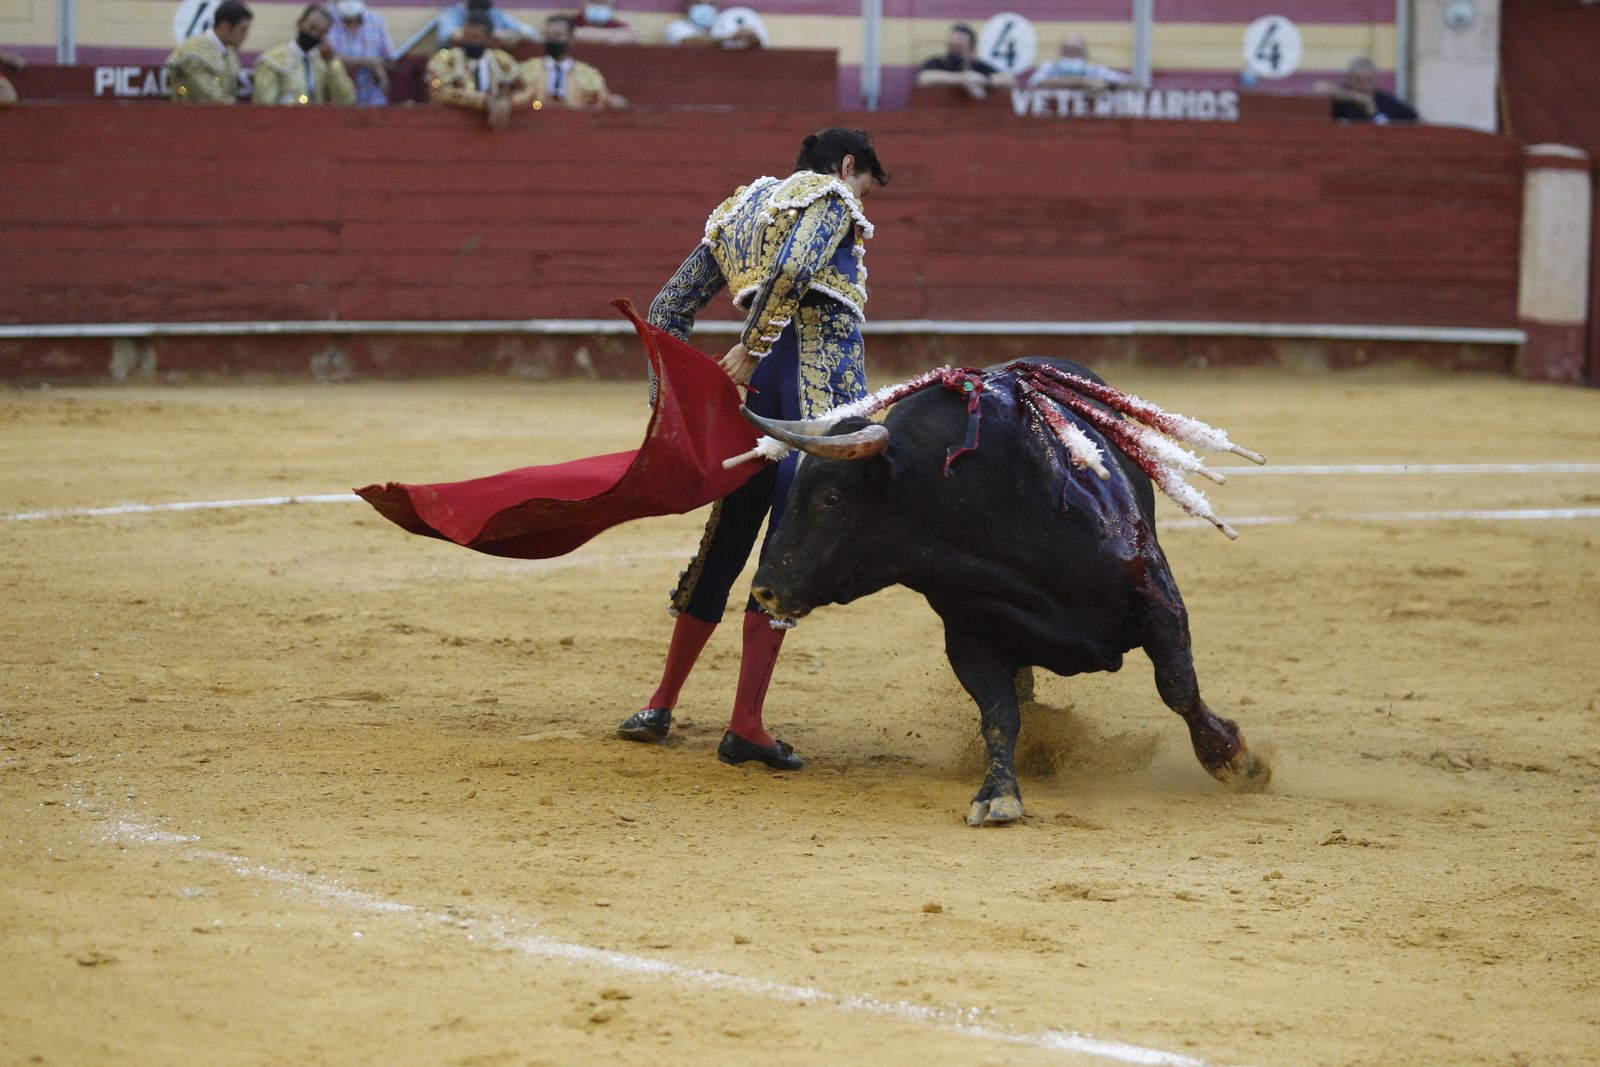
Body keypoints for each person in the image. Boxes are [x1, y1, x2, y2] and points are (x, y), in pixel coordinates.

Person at [616, 128, 889, 771]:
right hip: (816, 414)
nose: (862, 205)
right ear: (848, 167)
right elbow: (796, 268)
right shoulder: (829, 196)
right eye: (866, 189)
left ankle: (659, 704)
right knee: (781, 561)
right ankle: (745, 724)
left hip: (751, 414)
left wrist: (672, 406)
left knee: (723, 548)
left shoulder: (741, 213)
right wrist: (751, 347)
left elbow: (665, 311)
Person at [427, 11, 536, 127]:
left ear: (488, 39)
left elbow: (528, 90)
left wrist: (509, 100)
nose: (469, 40)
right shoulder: (446, 60)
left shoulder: (502, 61)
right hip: (453, 127)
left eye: (475, 37)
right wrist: (483, 101)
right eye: (466, 35)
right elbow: (439, 92)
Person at [252, 4, 356, 105]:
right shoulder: (273, 59)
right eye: (312, 27)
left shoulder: (324, 63)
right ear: (300, 23)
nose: (315, 34)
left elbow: (347, 101)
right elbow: (263, 104)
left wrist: (332, 61)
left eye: (322, 32)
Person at [522, 15, 623, 109]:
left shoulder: (587, 74)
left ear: (571, 38)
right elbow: (518, 97)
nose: (552, 40)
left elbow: (601, 99)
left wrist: (611, 100)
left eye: (557, 35)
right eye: (548, 35)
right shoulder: (528, 68)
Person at [164, 0, 252, 104]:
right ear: (225, 26)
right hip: (188, 118)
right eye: (243, 29)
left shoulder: (228, 52)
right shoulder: (194, 53)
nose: (246, 35)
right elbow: (212, 98)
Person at [326, 0, 397, 107]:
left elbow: (391, 61)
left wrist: (378, 65)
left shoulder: (377, 20)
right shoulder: (329, 21)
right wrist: (370, 63)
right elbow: (329, 57)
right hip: (340, 103)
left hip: (374, 102)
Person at [916, 23, 1011, 100]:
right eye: (952, 47)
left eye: (959, 48)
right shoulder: (937, 62)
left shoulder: (978, 66)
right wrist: (963, 79)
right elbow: (923, 78)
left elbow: (1009, 80)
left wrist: (984, 80)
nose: (955, 52)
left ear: (971, 50)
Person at [1315, 57, 1418, 124]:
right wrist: (1354, 97)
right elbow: (1318, 88)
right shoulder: (1341, 96)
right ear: (1348, 80)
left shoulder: (1388, 102)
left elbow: (1417, 122)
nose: (1363, 84)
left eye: (1368, 80)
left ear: (1376, 81)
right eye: (1357, 79)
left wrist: (1373, 113)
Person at [1028, 33, 1127, 89]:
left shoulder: (1094, 70)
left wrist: (1107, 84)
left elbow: (1128, 82)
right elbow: (1034, 82)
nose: (1071, 54)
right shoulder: (1050, 68)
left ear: (1084, 54)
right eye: (1067, 50)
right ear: (1061, 53)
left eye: (1076, 51)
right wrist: (1082, 82)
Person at [435, 0, 537, 52]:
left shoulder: (496, 14)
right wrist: (492, 35)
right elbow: (446, 36)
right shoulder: (451, 14)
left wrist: (515, 35)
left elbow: (533, 33)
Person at [664, 0, 764, 48]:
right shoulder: (676, 27)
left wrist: (753, 40)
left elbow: (746, 49)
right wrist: (729, 38)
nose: (705, 7)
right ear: (687, 6)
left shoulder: (726, 27)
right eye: (698, 3)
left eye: (711, 4)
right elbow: (688, 42)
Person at [571, 0, 638, 44]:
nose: (598, 7)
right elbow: (569, 34)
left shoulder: (620, 25)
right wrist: (613, 36)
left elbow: (631, 35)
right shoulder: (570, 22)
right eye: (594, 2)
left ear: (611, 5)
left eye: (603, 3)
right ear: (584, 2)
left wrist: (586, 35)